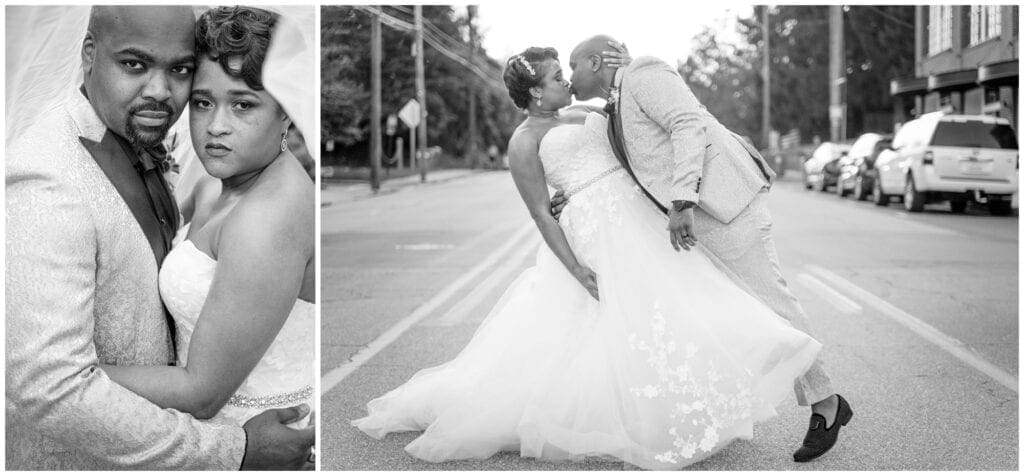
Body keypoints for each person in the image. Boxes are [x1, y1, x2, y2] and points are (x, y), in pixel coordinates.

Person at [352, 45, 822, 470]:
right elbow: (540, 212)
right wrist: (575, 266)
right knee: (615, 324)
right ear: (536, 91)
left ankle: (700, 398)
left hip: (639, 220)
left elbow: (653, 135)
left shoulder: (588, 110)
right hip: (595, 236)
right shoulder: (523, 142)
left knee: (670, 310)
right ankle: (629, 415)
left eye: (566, 71)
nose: (566, 81)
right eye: (557, 76)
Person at [6, 6, 311, 469]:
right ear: (89, 54)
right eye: (134, 64)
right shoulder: (52, 182)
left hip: (245, 426)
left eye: (178, 70)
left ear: (286, 112)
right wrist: (56, 379)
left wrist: (67, 378)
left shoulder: (264, 209)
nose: (159, 92)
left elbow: (201, 386)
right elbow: (47, 385)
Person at [559, 34, 852, 463]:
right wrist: (574, 194)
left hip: (723, 207)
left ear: (597, 61)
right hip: (697, 225)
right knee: (723, 316)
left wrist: (682, 200)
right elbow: (634, 169)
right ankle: (722, 409)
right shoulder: (614, 107)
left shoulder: (644, 72)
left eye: (573, 66)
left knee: (771, 304)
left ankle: (827, 404)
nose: (570, 77)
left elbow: (687, 125)